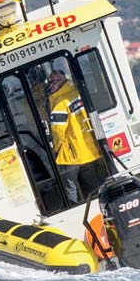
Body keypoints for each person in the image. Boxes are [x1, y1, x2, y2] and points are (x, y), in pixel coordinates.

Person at [46, 69, 104, 203]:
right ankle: (102, 202)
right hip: (88, 149)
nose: (50, 85)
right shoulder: (77, 94)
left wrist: (56, 148)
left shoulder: (60, 103)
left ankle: (73, 208)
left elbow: (57, 131)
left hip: (71, 153)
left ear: (61, 82)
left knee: (69, 186)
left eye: (52, 82)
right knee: (92, 181)